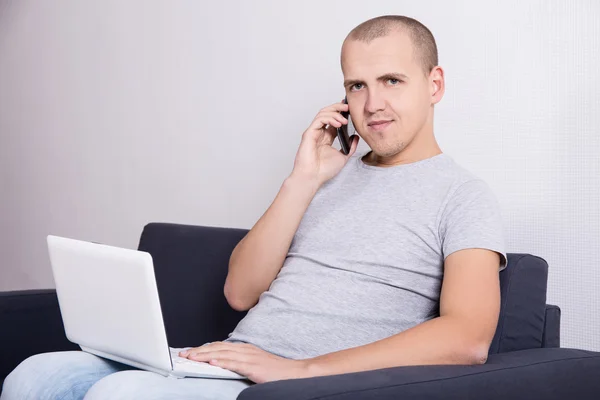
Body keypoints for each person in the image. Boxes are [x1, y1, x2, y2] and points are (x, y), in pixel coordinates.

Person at [1, 14, 507, 400]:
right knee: (40, 373)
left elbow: (467, 338)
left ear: (434, 84)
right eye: (357, 85)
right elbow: (240, 291)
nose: (372, 103)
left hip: (308, 381)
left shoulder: (463, 195)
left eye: (392, 81)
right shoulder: (325, 176)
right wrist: (302, 179)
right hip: (237, 365)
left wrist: (300, 368)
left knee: (122, 394)